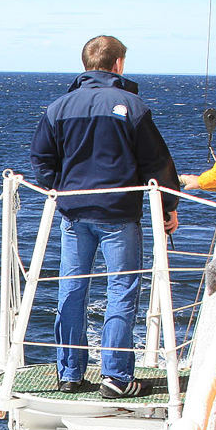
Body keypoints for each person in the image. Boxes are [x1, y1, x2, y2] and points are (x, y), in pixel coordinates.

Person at [30, 35, 180, 398]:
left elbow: (41, 160)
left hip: (74, 214)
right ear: (118, 65)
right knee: (121, 293)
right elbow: (155, 163)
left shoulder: (58, 107)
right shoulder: (132, 105)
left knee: (71, 290)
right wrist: (167, 208)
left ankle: (69, 374)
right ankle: (116, 377)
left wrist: (60, 190)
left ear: (85, 64)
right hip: (119, 215)